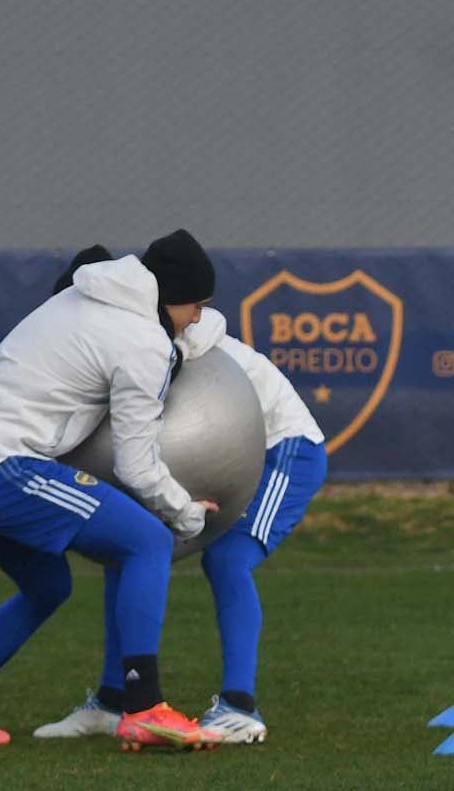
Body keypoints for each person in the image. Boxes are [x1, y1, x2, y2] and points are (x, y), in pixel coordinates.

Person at [0, 229, 224, 751]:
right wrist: (186, 513)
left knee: (48, 588)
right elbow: (135, 464)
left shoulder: (89, 294)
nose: (197, 316)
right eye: (195, 304)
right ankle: (144, 706)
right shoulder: (143, 342)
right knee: (148, 541)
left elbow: (184, 334)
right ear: (169, 294)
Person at [34, 297, 327, 745]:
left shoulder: (163, 335)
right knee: (127, 550)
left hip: (284, 447)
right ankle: (114, 700)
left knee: (228, 560)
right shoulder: (108, 346)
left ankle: (240, 708)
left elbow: (203, 326)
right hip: (213, 456)